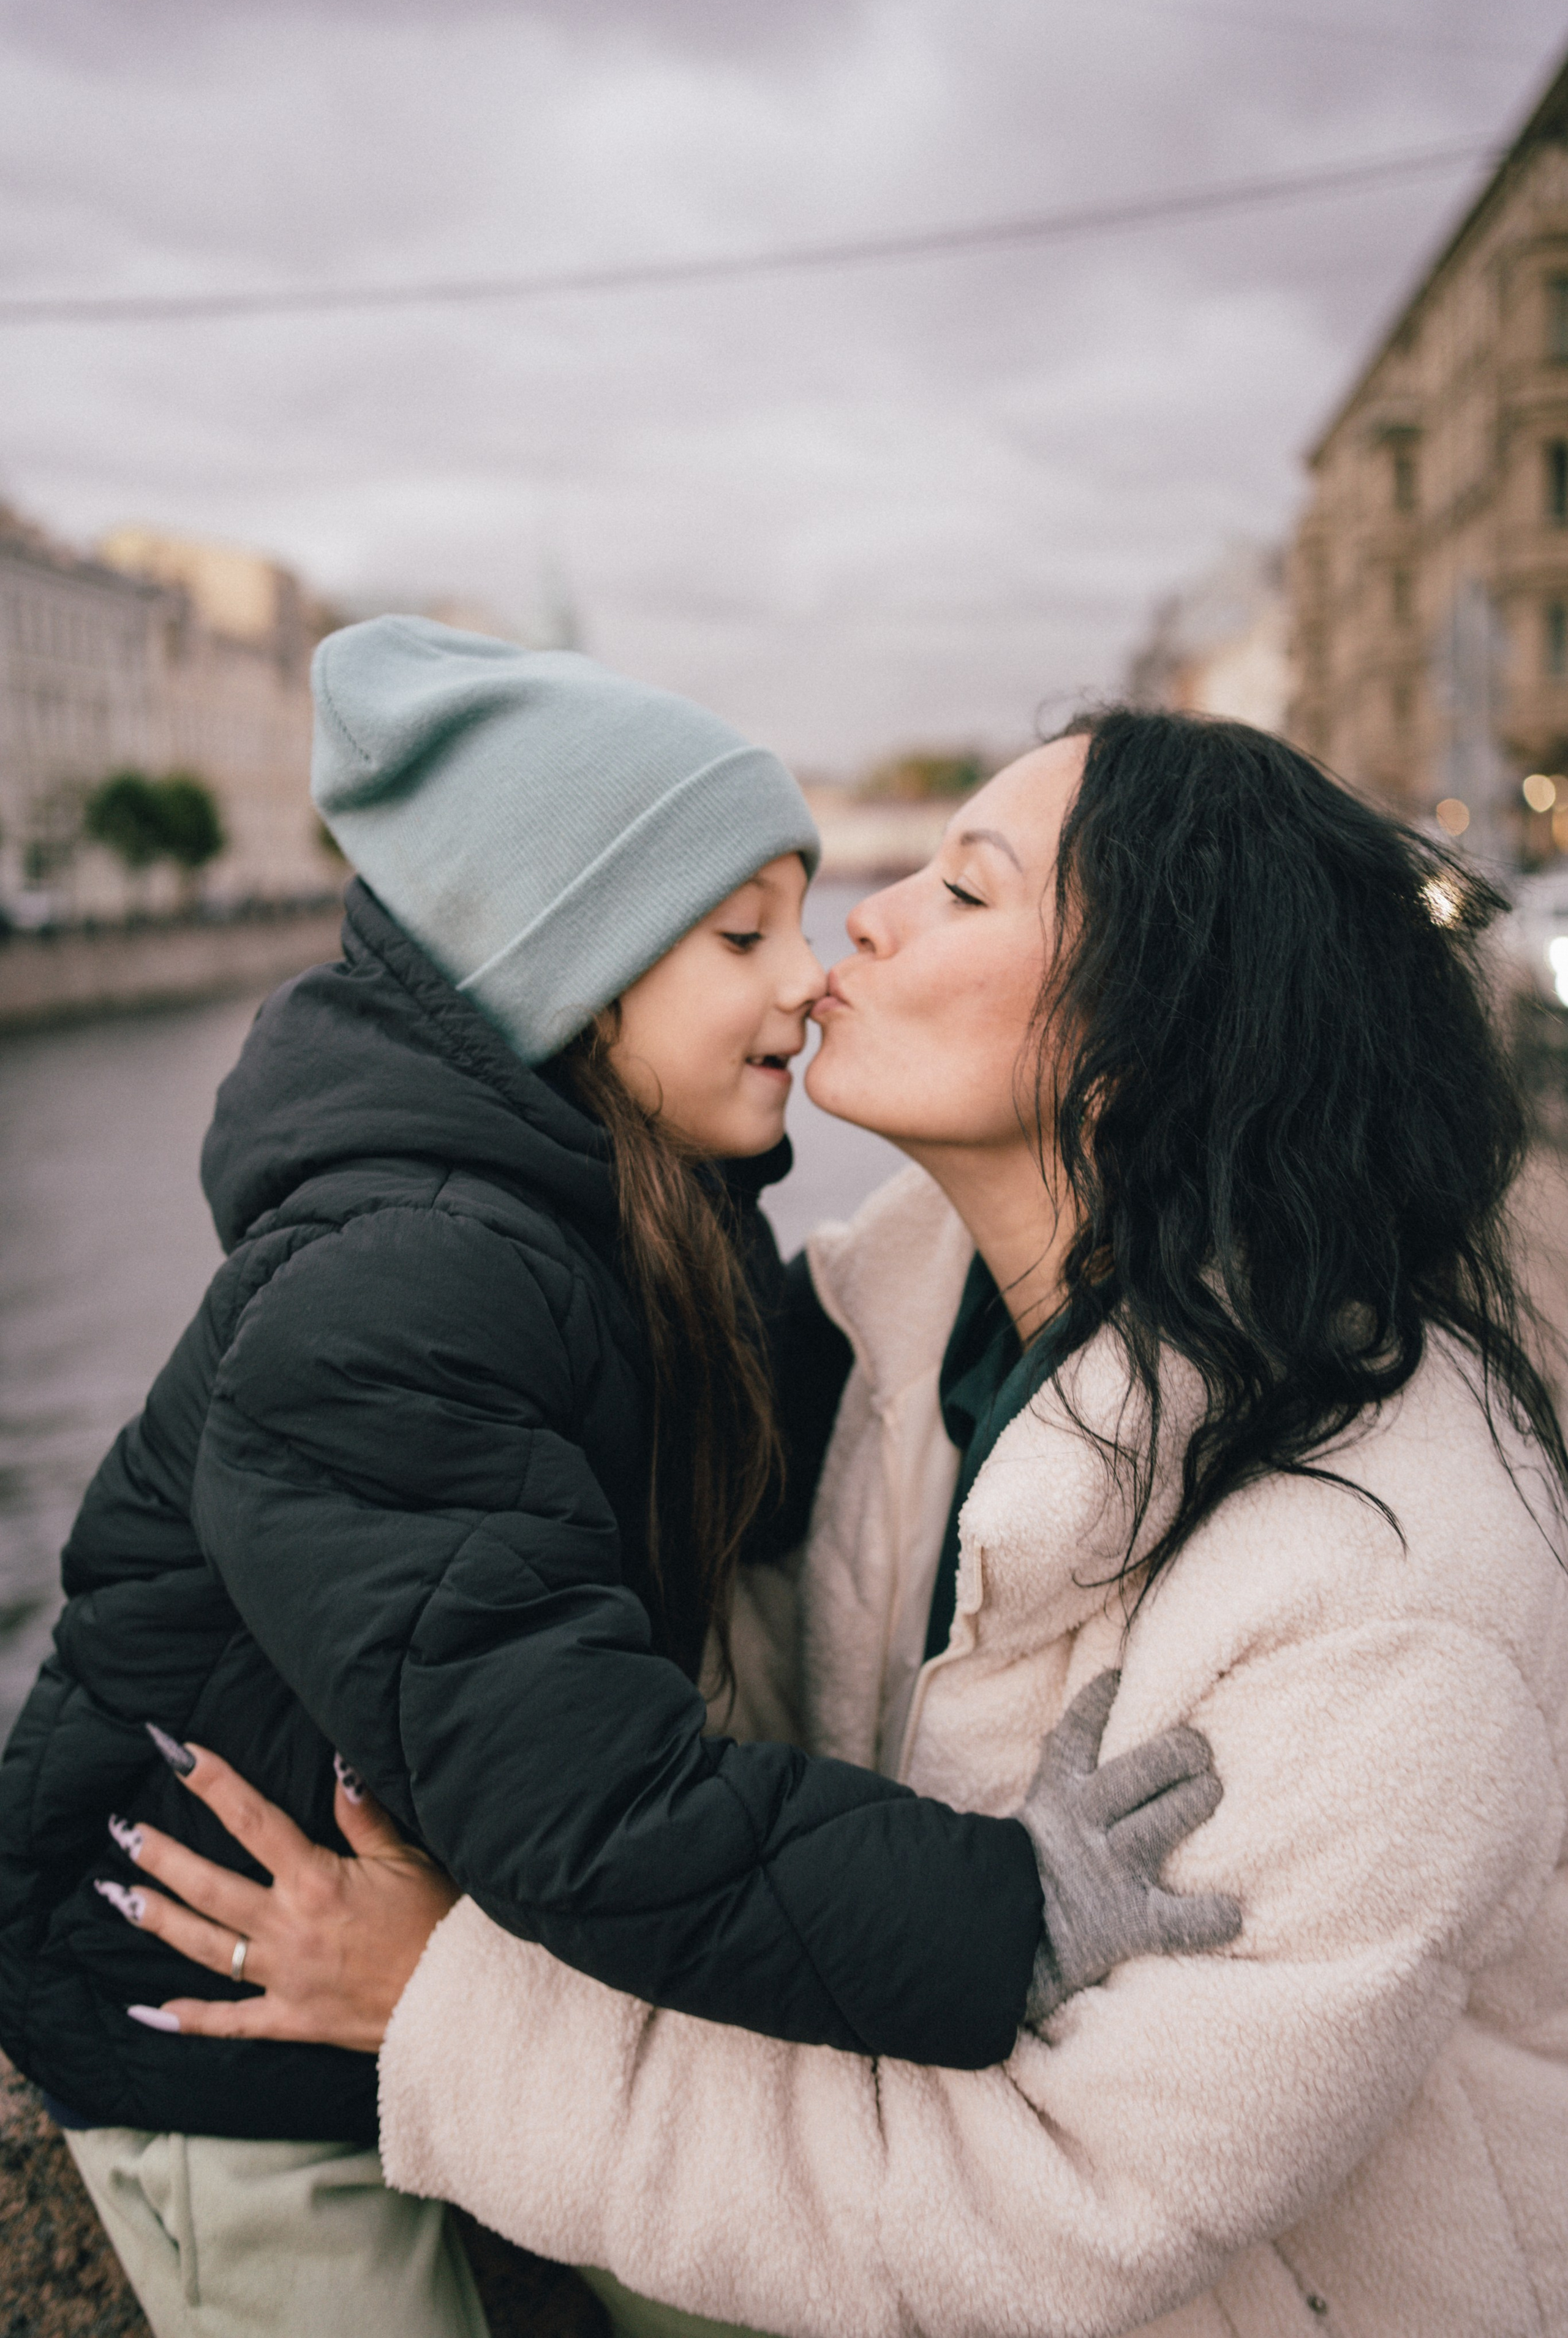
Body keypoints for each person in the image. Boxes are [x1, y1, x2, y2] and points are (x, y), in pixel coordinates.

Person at [135, 709, 1568, 2338]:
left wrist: (441, 2007)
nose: (860, 925)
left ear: (1155, 1031)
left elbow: (1051, 2210)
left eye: (963, 891)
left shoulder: (1385, 1587)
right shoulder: (880, 1323)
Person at [0, 631, 1234, 2338]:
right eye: (742, 934)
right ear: (562, 971)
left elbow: (811, 1430)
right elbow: (594, 1804)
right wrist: (1009, 1910)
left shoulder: (629, 1226)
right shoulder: (393, 1292)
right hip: (217, 2017)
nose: (806, 980)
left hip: (474, 1945)